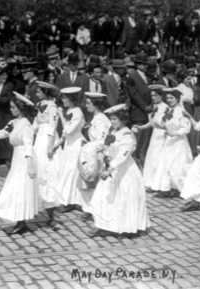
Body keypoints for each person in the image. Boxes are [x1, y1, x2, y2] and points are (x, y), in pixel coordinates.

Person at [0, 93, 39, 235]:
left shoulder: (26, 126)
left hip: (25, 160)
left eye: (13, 107)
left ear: (20, 109)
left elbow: (28, 146)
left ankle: (21, 222)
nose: (11, 110)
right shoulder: (13, 123)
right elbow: (0, 134)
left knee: (20, 189)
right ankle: (20, 221)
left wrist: (31, 167)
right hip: (17, 159)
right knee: (15, 189)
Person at [89, 104, 149, 238]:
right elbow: (104, 143)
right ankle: (103, 225)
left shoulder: (127, 135)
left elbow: (122, 156)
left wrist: (109, 170)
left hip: (124, 171)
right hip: (109, 167)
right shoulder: (113, 131)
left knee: (123, 199)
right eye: (111, 119)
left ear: (123, 120)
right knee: (103, 197)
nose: (111, 122)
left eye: (114, 119)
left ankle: (125, 227)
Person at [151, 88, 192, 198]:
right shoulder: (169, 110)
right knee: (166, 164)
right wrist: (158, 124)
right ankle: (168, 188)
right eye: (167, 98)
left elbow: (186, 128)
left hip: (179, 142)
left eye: (171, 98)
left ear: (177, 99)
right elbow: (165, 123)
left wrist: (175, 133)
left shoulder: (181, 111)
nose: (169, 100)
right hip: (169, 142)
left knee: (178, 165)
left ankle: (180, 188)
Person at [31, 81, 62, 229]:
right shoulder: (39, 106)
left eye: (39, 92)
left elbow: (52, 126)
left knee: (50, 174)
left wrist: (50, 146)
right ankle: (38, 205)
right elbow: (36, 123)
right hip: (39, 141)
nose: (37, 94)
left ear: (45, 92)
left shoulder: (53, 107)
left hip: (48, 141)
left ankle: (52, 215)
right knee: (39, 172)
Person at [52, 87, 85, 214]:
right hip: (69, 145)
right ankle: (70, 200)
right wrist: (56, 145)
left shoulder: (77, 112)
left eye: (65, 98)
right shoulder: (70, 110)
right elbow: (65, 134)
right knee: (68, 171)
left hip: (76, 144)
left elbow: (69, 131)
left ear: (72, 99)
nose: (63, 100)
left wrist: (61, 115)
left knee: (72, 172)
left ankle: (72, 201)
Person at [78, 92, 111, 220]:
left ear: (96, 104)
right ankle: (90, 208)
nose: (86, 106)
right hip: (92, 152)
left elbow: (103, 140)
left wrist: (90, 146)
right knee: (87, 182)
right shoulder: (95, 117)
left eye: (88, 103)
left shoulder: (101, 120)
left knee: (92, 182)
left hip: (97, 154)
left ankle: (94, 209)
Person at [132, 84, 168, 189]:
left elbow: (164, 124)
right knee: (152, 157)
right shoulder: (153, 107)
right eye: (152, 96)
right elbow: (151, 123)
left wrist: (159, 123)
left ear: (161, 96)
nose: (153, 98)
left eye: (155, 95)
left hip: (162, 134)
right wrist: (140, 127)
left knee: (159, 157)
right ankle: (151, 182)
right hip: (155, 135)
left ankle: (160, 183)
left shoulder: (165, 107)